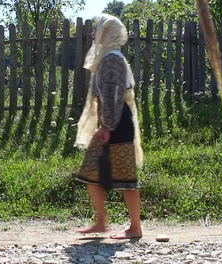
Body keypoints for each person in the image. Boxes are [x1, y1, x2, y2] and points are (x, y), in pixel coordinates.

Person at [74, 13, 144, 240]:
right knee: (91, 173)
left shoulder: (113, 58)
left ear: (108, 33)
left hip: (116, 123)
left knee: (127, 179)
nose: (94, 33)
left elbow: (113, 95)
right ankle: (101, 222)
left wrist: (106, 126)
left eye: (98, 29)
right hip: (111, 122)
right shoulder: (107, 57)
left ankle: (135, 228)